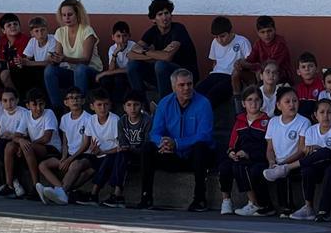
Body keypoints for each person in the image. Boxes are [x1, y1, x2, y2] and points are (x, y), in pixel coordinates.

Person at [135, 69, 213, 211]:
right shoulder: (165, 103)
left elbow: (205, 135)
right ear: (173, 87)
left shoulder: (203, 103)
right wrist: (163, 142)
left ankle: (200, 199)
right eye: (181, 85)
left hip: (193, 156)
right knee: (147, 148)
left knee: (201, 147)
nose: (186, 88)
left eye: (189, 84)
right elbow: (155, 132)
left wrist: (177, 143)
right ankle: (146, 197)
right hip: (171, 154)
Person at [127, 0, 199, 98]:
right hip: (164, 74)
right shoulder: (153, 31)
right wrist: (156, 55)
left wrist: (145, 51)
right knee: (132, 65)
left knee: (161, 65)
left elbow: (167, 57)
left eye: (167, 13)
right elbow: (130, 54)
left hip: (185, 73)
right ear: (153, 19)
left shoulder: (178, 29)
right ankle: (141, 104)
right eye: (160, 14)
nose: (164, 17)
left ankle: (163, 106)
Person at [217, 86, 269, 216]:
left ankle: (253, 203)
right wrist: (231, 152)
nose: (253, 103)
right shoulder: (239, 121)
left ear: (262, 102)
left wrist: (248, 154)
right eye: (249, 100)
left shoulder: (267, 121)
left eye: (257, 99)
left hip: (258, 157)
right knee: (224, 166)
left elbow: (268, 147)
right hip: (240, 155)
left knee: (242, 167)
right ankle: (226, 201)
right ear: (243, 103)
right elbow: (232, 143)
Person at [39, 87, 96, 205]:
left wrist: (70, 159)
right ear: (66, 102)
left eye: (77, 98)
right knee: (43, 165)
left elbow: (86, 145)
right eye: (71, 98)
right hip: (69, 154)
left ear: (83, 101)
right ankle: (60, 191)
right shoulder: (65, 118)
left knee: (75, 165)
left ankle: (60, 192)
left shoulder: (88, 118)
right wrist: (64, 157)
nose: (74, 100)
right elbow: (65, 142)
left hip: (85, 155)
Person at [295, 98, 331, 221]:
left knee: (328, 160)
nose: (326, 116)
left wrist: (319, 150)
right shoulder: (311, 130)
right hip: (316, 165)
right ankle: (308, 207)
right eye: (322, 112)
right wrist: (318, 152)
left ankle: (324, 211)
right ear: (315, 115)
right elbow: (310, 155)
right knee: (307, 170)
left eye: (329, 112)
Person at [44, 0, 102, 110]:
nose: (66, 18)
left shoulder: (87, 31)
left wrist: (65, 59)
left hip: (91, 72)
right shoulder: (60, 32)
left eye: (70, 14)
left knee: (80, 69)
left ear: (78, 15)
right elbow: (58, 56)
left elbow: (86, 60)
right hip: (71, 72)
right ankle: (57, 108)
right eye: (63, 15)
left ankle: (81, 108)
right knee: (49, 70)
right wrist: (54, 58)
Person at [258, 87, 309, 215]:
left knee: (283, 173)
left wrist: (283, 163)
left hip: (294, 162)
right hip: (277, 161)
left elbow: (301, 150)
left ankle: (287, 207)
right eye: (287, 102)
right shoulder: (273, 122)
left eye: (295, 101)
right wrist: (271, 161)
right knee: (257, 171)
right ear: (279, 105)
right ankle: (266, 205)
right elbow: (269, 148)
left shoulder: (304, 122)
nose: (292, 104)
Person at [107, 91, 151, 208]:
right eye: (129, 105)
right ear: (124, 107)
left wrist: (131, 148)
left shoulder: (147, 121)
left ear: (141, 106)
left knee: (125, 154)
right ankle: (117, 193)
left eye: (136, 105)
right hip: (127, 153)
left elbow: (147, 144)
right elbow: (122, 141)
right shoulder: (122, 121)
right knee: (120, 155)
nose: (133, 108)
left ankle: (117, 194)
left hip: (142, 154)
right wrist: (126, 148)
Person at [196, 15, 251, 109]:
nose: (219, 40)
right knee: (195, 93)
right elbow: (214, 62)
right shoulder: (214, 42)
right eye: (216, 37)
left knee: (212, 96)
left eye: (222, 36)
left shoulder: (242, 41)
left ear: (230, 32)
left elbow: (250, 62)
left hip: (231, 77)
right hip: (215, 74)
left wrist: (241, 63)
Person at [24, 88, 65, 203]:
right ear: (28, 106)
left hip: (52, 149)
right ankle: (33, 186)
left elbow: (47, 138)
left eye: (41, 104)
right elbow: (17, 134)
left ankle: (35, 185)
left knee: (28, 147)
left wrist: (28, 143)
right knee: (19, 146)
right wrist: (20, 140)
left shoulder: (49, 113)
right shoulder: (26, 115)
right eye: (34, 105)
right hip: (38, 149)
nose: (38, 108)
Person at [84, 89, 124, 206]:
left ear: (110, 105)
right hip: (99, 155)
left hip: (113, 154)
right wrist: (95, 150)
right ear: (92, 106)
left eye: (106, 104)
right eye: (99, 105)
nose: (103, 108)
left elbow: (120, 147)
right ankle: (65, 190)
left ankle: (94, 193)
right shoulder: (91, 120)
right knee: (79, 166)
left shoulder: (115, 119)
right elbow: (91, 143)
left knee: (109, 159)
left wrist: (103, 151)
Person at [0, 90, 30, 198]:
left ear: (17, 100)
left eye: (12, 100)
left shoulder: (24, 113)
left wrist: (12, 136)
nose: (9, 104)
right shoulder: (0, 113)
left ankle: (10, 184)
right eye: (5, 101)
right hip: (4, 143)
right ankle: (13, 181)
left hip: (19, 142)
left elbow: (20, 135)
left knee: (9, 147)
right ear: (1, 102)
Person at [242, 15, 294, 85]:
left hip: (280, 74)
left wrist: (253, 66)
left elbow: (272, 65)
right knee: (237, 71)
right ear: (258, 33)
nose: (266, 35)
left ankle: (262, 93)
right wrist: (242, 63)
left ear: (275, 30)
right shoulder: (258, 43)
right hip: (264, 71)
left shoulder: (280, 43)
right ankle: (236, 95)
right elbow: (251, 58)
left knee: (261, 72)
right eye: (262, 32)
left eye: (269, 31)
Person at [95, 21, 135, 106]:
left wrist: (105, 73)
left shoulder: (133, 46)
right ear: (113, 37)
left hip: (130, 75)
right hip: (116, 73)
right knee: (105, 80)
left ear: (129, 36)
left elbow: (129, 69)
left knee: (119, 79)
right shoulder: (112, 49)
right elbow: (111, 69)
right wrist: (115, 53)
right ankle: (106, 103)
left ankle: (119, 105)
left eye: (124, 36)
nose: (121, 39)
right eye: (118, 36)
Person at [18, 16, 56, 95]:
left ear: (47, 30)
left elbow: (50, 62)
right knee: (21, 71)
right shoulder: (32, 41)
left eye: (43, 30)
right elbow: (27, 58)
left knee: (40, 72)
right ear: (32, 33)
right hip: (39, 68)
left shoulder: (53, 40)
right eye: (37, 31)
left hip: (52, 69)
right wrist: (21, 62)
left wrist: (29, 63)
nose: (40, 34)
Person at [0, 13, 30, 96]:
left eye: (15, 24)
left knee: (4, 74)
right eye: (9, 25)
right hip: (8, 67)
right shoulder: (2, 40)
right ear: (3, 30)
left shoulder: (24, 39)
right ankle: (0, 100)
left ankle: (17, 99)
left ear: (19, 26)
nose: (13, 26)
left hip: (22, 68)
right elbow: (1, 58)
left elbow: (18, 60)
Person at [294, 52, 323, 119]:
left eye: (310, 66)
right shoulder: (296, 89)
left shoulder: (322, 86)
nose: (307, 69)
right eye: (303, 67)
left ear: (317, 69)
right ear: (298, 72)